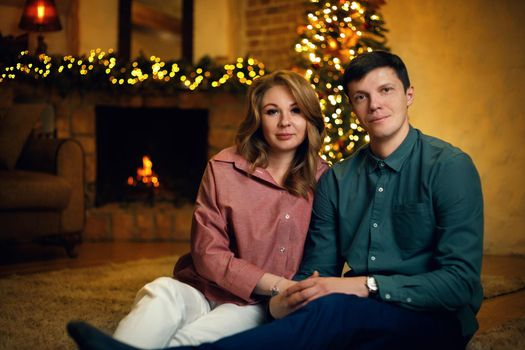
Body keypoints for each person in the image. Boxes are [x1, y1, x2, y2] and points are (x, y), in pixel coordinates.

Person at [68, 51, 483, 350]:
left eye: (386, 90)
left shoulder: (447, 167)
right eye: (361, 96)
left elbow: (461, 283)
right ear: (352, 107)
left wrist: (355, 286)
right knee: (166, 293)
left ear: (408, 94)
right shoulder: (339, 178)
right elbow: (316, 266)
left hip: (425, 316)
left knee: (325, 313)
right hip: (247, 292)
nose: (375, 104)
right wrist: (303, 292)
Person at [84, 70, 328, 349]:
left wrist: (280, 291)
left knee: (194, 338)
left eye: (295, 110)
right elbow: (206, 251)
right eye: (272, 112)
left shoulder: (325, 180)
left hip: (256, 304)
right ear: (258, 119)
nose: (285, 122)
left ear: (309, 117)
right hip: (203, 285)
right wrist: (278, 283)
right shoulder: (223, 167)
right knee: (160, 292)